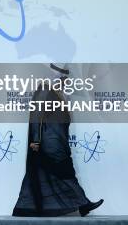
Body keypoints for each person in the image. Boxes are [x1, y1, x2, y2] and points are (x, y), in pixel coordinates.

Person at [13, 63, 103, 217]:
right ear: (53, 75)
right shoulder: (44, 90)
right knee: (65, 173)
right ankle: (83, 204)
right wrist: (35, 140)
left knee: (46, 175)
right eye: (61, 76)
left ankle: (26, 206)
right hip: (50, 144)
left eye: (65, 76)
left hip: (59, 143)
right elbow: (36, 116)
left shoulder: (57, 92)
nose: (63, 79)